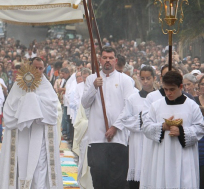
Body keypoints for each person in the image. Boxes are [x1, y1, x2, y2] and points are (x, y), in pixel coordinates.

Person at [0, 57, 63, 188]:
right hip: (22, 133)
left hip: (40, 132)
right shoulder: (18, 85)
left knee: (40, 165)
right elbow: (9, 110)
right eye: (35, 67)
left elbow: (53, 111)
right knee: (22, 164)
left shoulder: (46, 86)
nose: (37, 71)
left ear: (44, 69)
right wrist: (26, 104)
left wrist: (34, 102)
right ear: (29, 67)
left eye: (40, 68)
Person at [81, 46, 135, 189]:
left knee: (117, 179)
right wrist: (94, 87)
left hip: (118, 139)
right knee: (98, 177)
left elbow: (129, 107)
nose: (107, 61)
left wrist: (115, 127)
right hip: (97, 138)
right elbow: (85, 103)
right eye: (105, 57)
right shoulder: (92, 79)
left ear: (115, 60)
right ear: (100, 59)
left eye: (110, 58)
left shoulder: (126, 80)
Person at [140, 71, 204, 188]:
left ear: (180, 87)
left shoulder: (191, 106)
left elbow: (200, 128)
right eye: (165, 89)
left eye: (172, 89)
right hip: (162, 156)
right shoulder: (156, 106)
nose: (168, 93)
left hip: (184, 156)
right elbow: (146, 127)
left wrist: (182, 132)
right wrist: (162, 127)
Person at [121, 66, 156, 189]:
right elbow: (125, 119)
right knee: (137, 175)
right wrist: (141, 119)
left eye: (148, 78)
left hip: (153, 141)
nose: (145, 81)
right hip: (138, 140)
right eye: (143, 78)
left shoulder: (160, 98)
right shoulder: (133, 98)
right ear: (139, 79)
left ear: (154, 78)